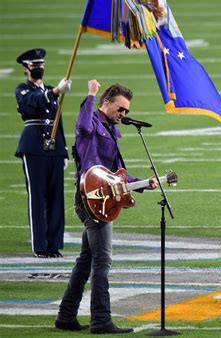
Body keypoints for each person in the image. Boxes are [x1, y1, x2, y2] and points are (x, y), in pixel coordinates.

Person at [55, 80, 159, 334]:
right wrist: (90, 94)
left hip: (100, 198)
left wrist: (144, 183)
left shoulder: (112, 131)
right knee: (103, 261)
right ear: (106, 103)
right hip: (92, 199)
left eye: (126, 112)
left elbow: (116, 174)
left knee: (86, 260)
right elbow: (80, 125)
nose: (123, 115)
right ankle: (101, 320)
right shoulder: (90, 121)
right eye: (120, 109)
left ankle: (66, 316)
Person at [15, 48, 72, 258]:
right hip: (33, 148)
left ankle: (54, 244)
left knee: (56, 198)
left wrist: (64, 151)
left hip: (54, 149)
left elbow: (58, 122)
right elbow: (32, 103)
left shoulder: (50, 90)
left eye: (41, 65)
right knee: (37, 198)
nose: (38, 68)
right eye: (34, 65)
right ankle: (40, 246)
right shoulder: (23, 90)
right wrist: (55, 91)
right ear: (26, 69)